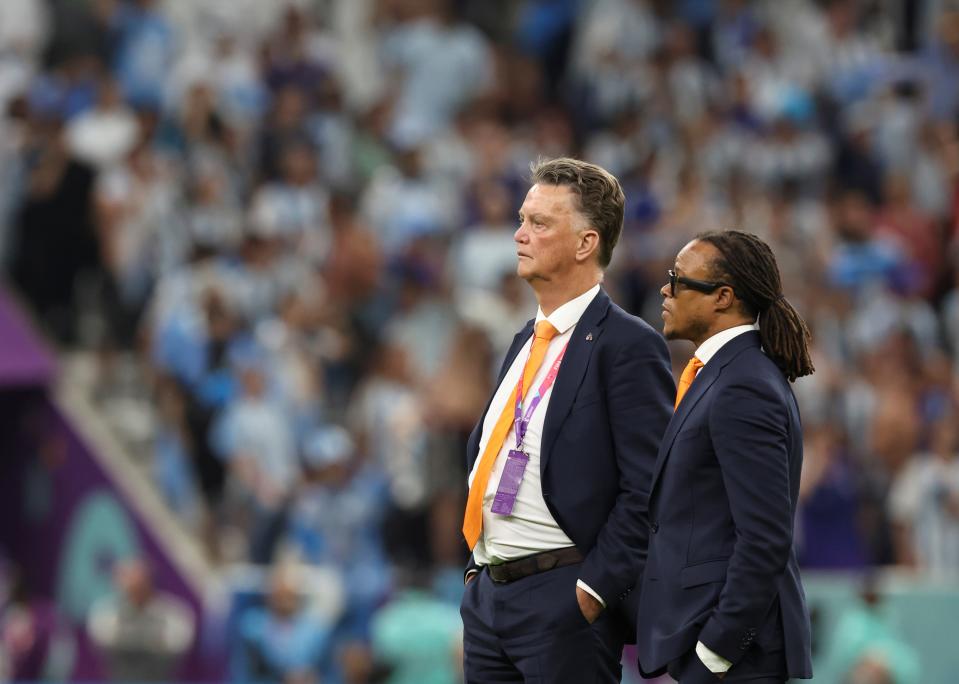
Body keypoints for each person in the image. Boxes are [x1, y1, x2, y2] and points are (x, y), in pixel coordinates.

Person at [459, 157, 674, 682]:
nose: (519, 235)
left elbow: (650, 485)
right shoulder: (521, 342)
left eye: (539, 223)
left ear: (585, 243)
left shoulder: (628, 345)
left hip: (563, 596)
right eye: (522, 219)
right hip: (490, 599)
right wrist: (476, 581)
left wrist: (593, 589)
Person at [636, 230, 814, 683]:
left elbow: (766, 537)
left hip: (736, 656)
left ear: (722, 298)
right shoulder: (724, 374)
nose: (665, 289)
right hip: (710, 640)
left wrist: (715, 652)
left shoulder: (743, 384)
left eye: (678, 280)